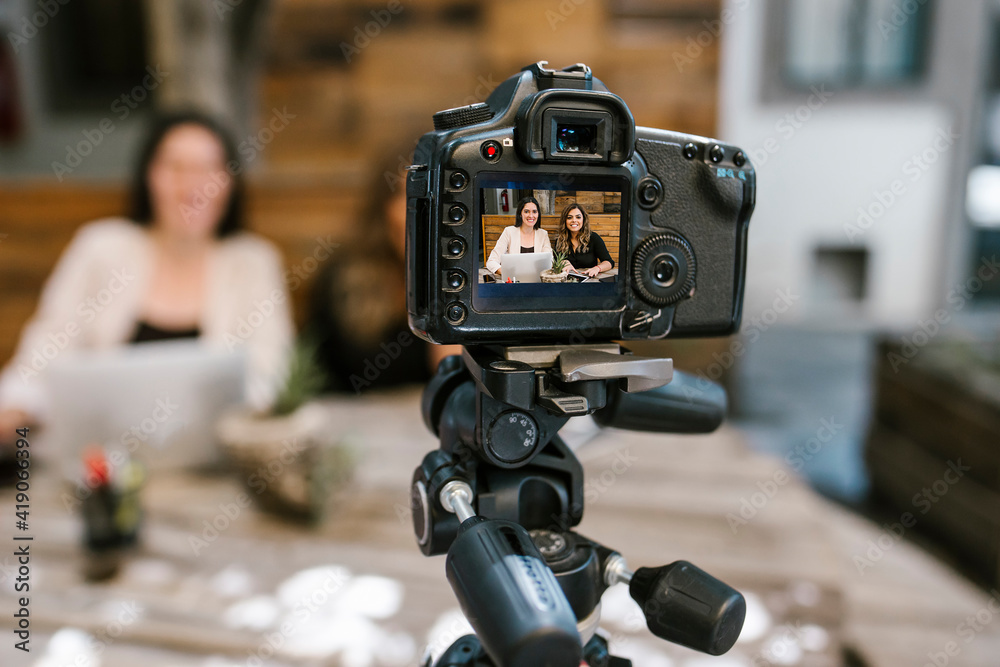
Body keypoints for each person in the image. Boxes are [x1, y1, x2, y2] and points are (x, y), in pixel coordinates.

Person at [0, 111, 294, 443]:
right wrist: (15, 406)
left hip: (218, 462)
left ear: (229, 182)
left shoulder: (252, 263)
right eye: (175, 168)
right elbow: (41, 356)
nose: (191, 186)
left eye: (208, 169)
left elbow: (274, 375)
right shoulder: (100, 249)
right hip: (102, 461)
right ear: (149, 176)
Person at [306, 151, 459, 394]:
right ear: (384, 206)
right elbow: (320, 380)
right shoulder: (344, 280)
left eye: (435, 196)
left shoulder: (465, 286)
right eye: (406, 194)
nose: (420, 211)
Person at [485, 196, 552, 275]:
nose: (531, 216)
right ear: (520, 214)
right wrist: (506, 273)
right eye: (526, 211)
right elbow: (491, 261)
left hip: (537, 280)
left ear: (538, 214)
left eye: (534, 211)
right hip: (513, 280)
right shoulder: (509, 232)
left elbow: (549, 261)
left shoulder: (543, 234)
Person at [555, 203, 614, 278]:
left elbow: (609, 262)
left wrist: (597, 268)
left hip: (590, 280)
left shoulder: (594, 238)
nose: (574, 220)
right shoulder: (560, 240)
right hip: (568, 282)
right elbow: (556, 262)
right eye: (569, 218)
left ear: (583, 219)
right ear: (565, 221)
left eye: (578, 217)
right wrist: (563, 262)